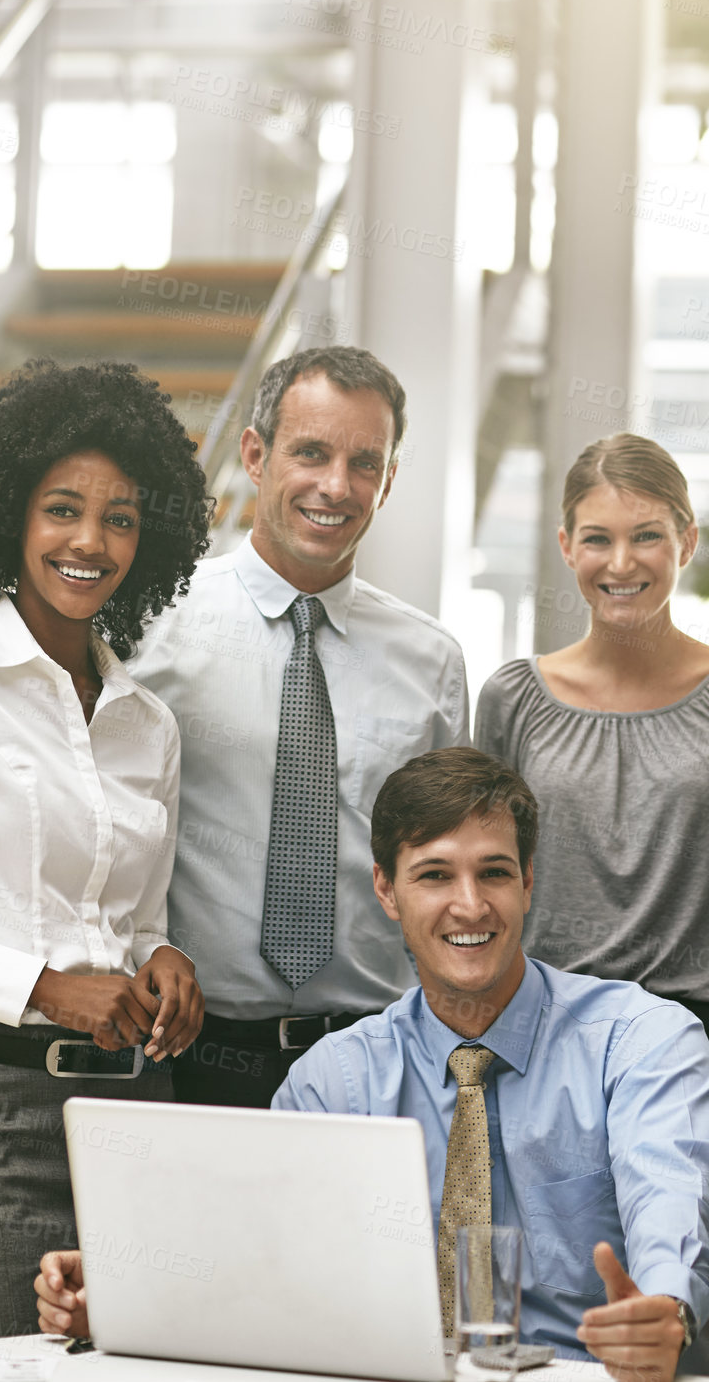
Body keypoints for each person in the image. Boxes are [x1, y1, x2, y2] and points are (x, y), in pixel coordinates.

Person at [36, 746, 709, 1381]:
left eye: (494, 871)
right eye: (435, 875)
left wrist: (665, 1306)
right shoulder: (333, 1079)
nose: (470, 904)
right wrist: (129, 1297)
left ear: (527, 881)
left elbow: (674, 1191)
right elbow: (270, 1269)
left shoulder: (643, 1039)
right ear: (386, 890)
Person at [0, 359, 209, 1343]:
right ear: (11, 513)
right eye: (63, 508)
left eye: (120, 519)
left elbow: (131, 921)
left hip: (132, 1107)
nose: (89, 542)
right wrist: (44, 986)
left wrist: (161, 959)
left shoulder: (149, 724)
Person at [131, 346, 468, 1108]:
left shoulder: (433, 662)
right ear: (256, 455)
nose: (335, 486)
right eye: (311, 453)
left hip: (376, 1063)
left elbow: (444, 868)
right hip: (192, 1056)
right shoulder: (153, 626)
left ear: (386, 482)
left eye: (364, 463)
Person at [475, 433, 709, 1223]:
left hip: (699, 1040)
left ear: (685, 539)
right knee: (544, 1285)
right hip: (544, 1037)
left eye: (647, 535)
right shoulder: (513, 698)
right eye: (598, 539)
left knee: (681, 1288)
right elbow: (478, 888)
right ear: (564, 546)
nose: (623, 562)